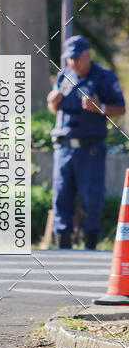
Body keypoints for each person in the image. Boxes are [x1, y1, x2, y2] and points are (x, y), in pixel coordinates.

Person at [47, 35, 125, 249]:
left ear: (87, 55)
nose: (73, 63)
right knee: (61, 196)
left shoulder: (104, 77)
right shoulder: (64, 75)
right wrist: (51, 103)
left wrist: (101, 108)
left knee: (92, 197)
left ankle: (91, 243)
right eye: (69, 59)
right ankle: (61, 244)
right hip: (63, 147)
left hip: (90, 147)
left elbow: (121, 108)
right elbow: (55, 110)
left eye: (76, 58)